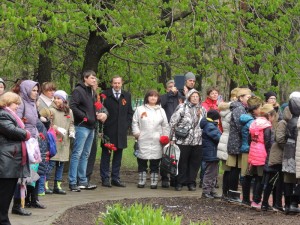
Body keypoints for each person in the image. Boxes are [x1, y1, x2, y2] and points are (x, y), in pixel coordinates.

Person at [12, 80, 45, 216]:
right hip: (24, 141)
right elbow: (18, 122)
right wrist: (27, 135)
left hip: (33, 141)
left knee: (33, 171)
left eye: (37, 91)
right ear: (26, 90)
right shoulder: (21, 103)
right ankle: (18, 204)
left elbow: (34, 123)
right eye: (33, 90)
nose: (36, 93)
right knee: (22, 174)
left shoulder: (32, 103)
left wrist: (36, 135)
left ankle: (30, 200)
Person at [69, 70, 104, 192]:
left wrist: (97, 114)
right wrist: (85, 116)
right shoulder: (78, 91)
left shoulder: (92, 92)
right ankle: (72, 182)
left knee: (85, 154)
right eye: (92, 78)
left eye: (95, 78)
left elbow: (94, 107)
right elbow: (73, 106)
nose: (94, 80)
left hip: (91, 127)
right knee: (77, 154)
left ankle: (82, 180)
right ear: (85, 78)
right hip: (82, 126)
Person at [0, 92, 30, 225]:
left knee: (7, 194)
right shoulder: (3, 115)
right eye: (15, 103)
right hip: (6, 160)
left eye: (18, 104)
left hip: (10, 159)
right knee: (4, 195)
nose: (17, 106)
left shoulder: (9, 115)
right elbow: (11, 130)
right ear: (6, 103)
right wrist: (26, 133)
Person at [132, 90, 169, 189]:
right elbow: (135, 122)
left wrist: (165, 137)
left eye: (155, 96)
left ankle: (154, 181)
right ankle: (142, 180)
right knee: (142, 160)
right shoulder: (140, 109)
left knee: (155, 161)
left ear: (158, 98)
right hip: (143, 137)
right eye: (151, 96)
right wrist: (136, 133)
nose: (153, 98)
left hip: (157, 139)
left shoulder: (161, 110)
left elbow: (165, 125)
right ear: (147, 97)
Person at [169, 89, 206, 191]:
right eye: (193, 96)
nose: (195, 98)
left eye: (197, 96)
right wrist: (172, 138)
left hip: (198, 140)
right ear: (189, 97)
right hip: (183, 140)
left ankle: (191, 182)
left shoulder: (202, 109)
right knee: (182, 162)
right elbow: (172, 123)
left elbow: (205, 124)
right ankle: (179, 182)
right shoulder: (182, 107)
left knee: (195, 163)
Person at [100, 75, 134, 187]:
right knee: (106, 155)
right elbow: (100, 110)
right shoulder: (105, 95)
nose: (117, 85)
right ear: (111, 83)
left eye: (119, 83)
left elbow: (130, 112)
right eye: (115, 83)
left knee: (118, 155)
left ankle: (116, 178)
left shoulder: (127, 95)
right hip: (108, 130)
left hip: (121, 131)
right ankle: (105, 178)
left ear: (122, 83)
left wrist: (126, 125)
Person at [225, 88, 251, 202]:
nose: (249, 99)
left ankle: (231, 193)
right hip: (236, 143)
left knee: (235, 169)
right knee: (234, 169)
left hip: (238, 142)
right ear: (241, 98)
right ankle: (232, 194)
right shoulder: (239, 109)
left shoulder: (243, 108)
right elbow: (241, 127)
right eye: (247, 97)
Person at [46, 90, 75, 195]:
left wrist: (71, 131)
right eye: (55, 98)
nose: (56, 100)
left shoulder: (69, 111)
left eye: (59, 98)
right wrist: (57, 128)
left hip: (65, 141)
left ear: (64, 100)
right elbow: (49, 124)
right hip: (55, 141)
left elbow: (71, 123)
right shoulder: (51, 110)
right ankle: (45, 184)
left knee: (61, 164)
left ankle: (57, 185)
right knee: (51, 163)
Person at [247, 104, 275, 210]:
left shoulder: (255, 122)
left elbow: (249, 138)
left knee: (255, 177)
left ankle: (255, 199)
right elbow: (268, 142)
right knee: (260, 178)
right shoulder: (267, 126)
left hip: (253, 150)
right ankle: (257, 200)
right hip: (262, 153)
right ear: (270, 115)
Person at [239, 96, 263, 207]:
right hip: (249, 150)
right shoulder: (252, 122)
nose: (261, 109)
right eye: (260, 107)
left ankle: (246, 199)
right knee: (248, 175)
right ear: (254, 109)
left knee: (247, 175)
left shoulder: (248, 119)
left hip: (247, 149)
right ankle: (246, 199)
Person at [160, 79, 182, 188]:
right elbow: (161, 104)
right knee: (165, 154)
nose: (172, 89)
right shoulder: (164, 97)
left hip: (179, 130)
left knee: (176, 155)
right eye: (170, 87)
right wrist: (169, 94)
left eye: (174, 87)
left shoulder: (180, 97)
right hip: (166, 128)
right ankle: (164, 177)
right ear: (166, 88)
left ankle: (174, 177)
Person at [200, 86, 221, 188]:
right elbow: (215, 136)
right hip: (210, 148)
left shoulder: (219, 104)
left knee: (214, 169)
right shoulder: (204, 105)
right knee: (208, 168)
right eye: (212, 93)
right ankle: (206, 187)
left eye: (216, 93)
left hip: (214, 146)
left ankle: (212, 186)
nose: (214, 95)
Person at [282, 92, 300, 214]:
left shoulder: (290, 120)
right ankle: (291, 204)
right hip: (294, 151)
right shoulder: (296, 121)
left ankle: (288, 205)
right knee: (292, 179)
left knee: (288, 179)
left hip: (289, 151)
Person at [200, 109, 222, 199]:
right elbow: (217, 137)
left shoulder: (211, 125)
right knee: (210, 173)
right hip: (211, 153)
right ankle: (206, 191)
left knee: (214, 172)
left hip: (213, 152)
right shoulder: (210, 126)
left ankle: (211, 189)